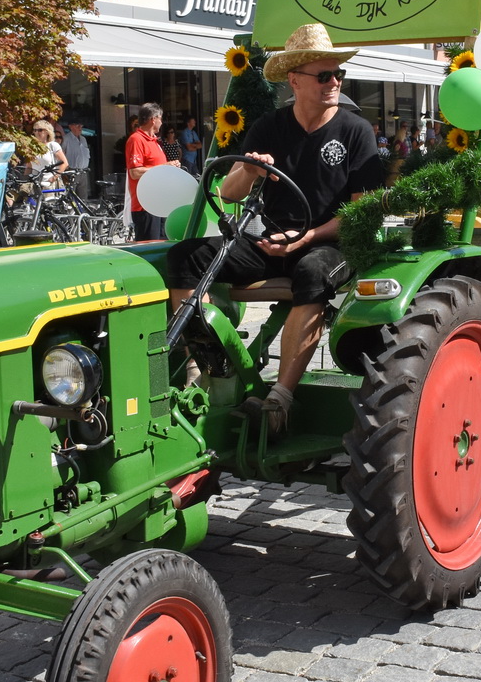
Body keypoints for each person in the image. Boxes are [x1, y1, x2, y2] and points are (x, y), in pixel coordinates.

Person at [165, 23, 385, 435]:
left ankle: (280, 398)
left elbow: (362, 215)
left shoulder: (355, 132)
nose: (334, 82)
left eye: (338, 74)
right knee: (185, 257)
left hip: (331, 243)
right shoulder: (270, 126)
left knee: (312, 271)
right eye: (324, 76)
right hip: (271, 240)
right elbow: (229, 194)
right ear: (295, 81)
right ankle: (206, 370)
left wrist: (308, 237)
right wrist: (248, 169)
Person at [126, 102, 176, 241]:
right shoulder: (136, 139)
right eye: (161, 118)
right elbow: (134, 172)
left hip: (160, 203)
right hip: (145, 206)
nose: (161, 122)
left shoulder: (154, 142)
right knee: (149, 246)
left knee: (162, 245)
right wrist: (165, 166)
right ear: (153, 119)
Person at [61, 114, 93, 197]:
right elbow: (62, 154)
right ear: (71, 127)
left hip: (83, 172)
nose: (80, 128)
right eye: (78, 125)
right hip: (72, 172)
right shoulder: (66, 139)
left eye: (81, 126)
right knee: (70, 196)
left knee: (83, 197)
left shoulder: (83, 139)